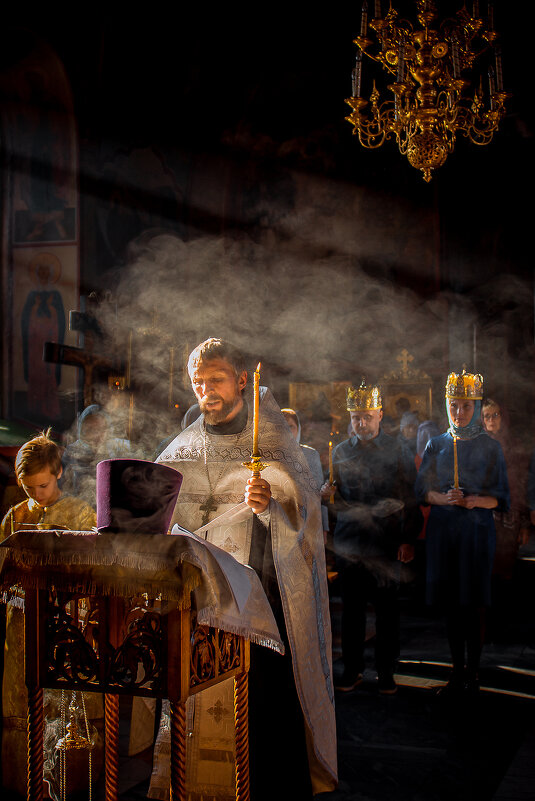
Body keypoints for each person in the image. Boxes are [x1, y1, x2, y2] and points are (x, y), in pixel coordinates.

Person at [153, 338, 337, 800]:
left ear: (241, 381)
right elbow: (159, 504)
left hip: (263, 604)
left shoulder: (272, 440)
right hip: (203, 602)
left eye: (215, 379)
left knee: (265, 707)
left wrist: (271, 508)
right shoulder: (183, 446)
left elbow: (306, 517)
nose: (206, 390)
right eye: (198, 382)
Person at [0, 430, 99, 796]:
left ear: (58, 472)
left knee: (63, 714)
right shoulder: (15, 516)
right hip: (22, 629)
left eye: (42, 486)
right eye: (28, 488)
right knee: (20, 707)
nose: (36, 496)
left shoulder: (79, 513)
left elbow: (91, 572)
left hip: (63, 629)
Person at [321, 382, 421, 695]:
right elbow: (335, 501)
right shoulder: (340, 451)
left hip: (386, 542)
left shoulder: (397, 450)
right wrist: (327, 498)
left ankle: (386, 671)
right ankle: (352, 669)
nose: (361, 423)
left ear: (379, 415)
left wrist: (408, 540)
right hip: (351, 542)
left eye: (367, 416)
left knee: (387, 611)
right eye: (355, 418)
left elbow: (411, 498)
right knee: (352, 611)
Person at [415, 371, 510, 696]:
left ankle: (474, 670)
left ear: (476, 406)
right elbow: (421, 490)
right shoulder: (436, 444)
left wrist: (474, 501)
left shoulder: (490, 447)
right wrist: (442, 498)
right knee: (452, 604)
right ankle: (456, 670)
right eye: (454, 406)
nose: (459, 413)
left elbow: (502, 497)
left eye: (466, 406)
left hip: (476, 534)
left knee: (474, 602)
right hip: (445, 534)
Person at [481, 397, 530, 639]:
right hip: (483, 517)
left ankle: (502, 626)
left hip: (508, 518)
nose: (491, 421)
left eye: (495, 415)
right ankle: (485, 627)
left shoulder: (514, 446)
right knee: (484, 572)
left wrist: (523, 524)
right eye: (487, 416)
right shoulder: (476, 445)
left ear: (503, 417)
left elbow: (520, 485)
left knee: (504, 573)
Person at [61, 403, 132, 506]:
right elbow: (64, 487)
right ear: (82, 431)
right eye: (90, 430)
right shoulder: (71, 453)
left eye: (101, 429)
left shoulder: (120, 449)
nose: (97, 435)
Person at [282, 407, 329, 542]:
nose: (287, 431)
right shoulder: (270, 457)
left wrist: (324, 527)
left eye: (291, 426)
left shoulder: (311, 455)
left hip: (309, 520)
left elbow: (319, 495)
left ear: (298, 429)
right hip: (281, 521)